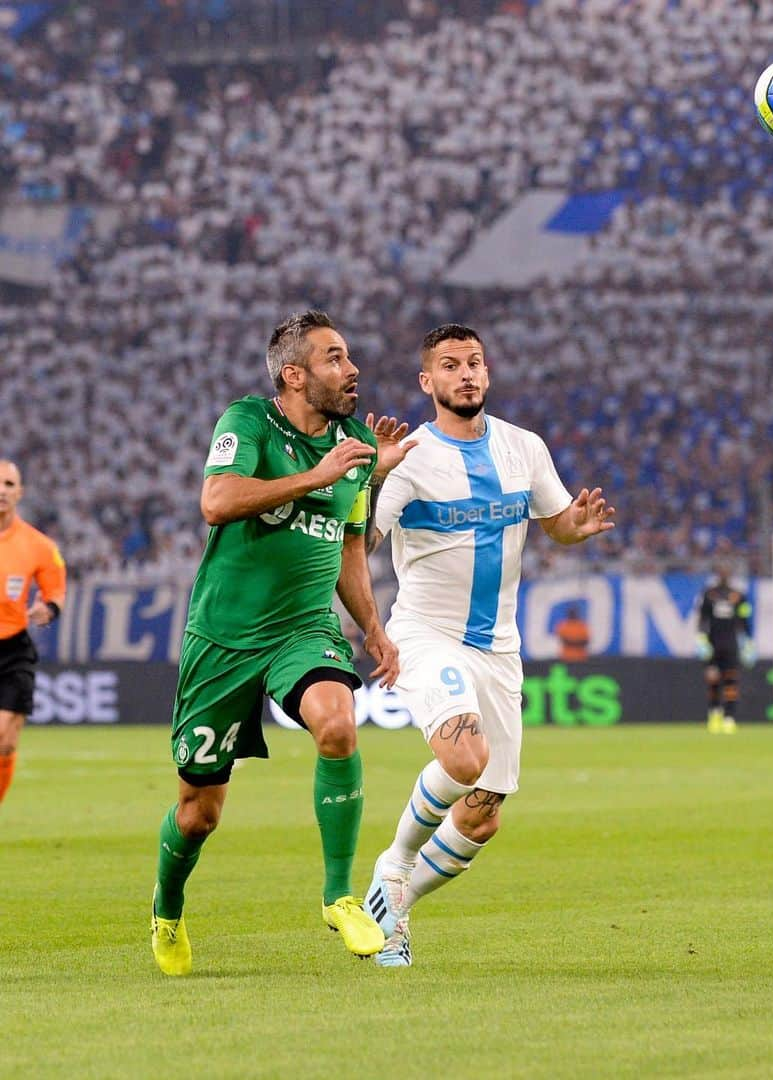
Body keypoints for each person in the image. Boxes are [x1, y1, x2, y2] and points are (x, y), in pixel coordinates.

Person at [150, 309, 417, 976]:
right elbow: (216, 500)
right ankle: (168, 905)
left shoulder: (353, 443)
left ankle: (339, 895)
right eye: (333, 358)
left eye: (348, 355)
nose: (351, 369)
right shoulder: (247, 422)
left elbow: (351, 544)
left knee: (337, 723)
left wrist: (374, 630)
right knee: (197, 814)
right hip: (224, 638)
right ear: (294, 375)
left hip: (305, 629)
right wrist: (317, 476)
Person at [360, 323, 615, 967]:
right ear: (429, 382)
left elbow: (554, 521)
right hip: (426, 632)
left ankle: (395, 905)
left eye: (474, 363)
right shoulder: (408, 455)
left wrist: (572, 529)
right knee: (464, 756)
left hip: (498, 647)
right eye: (451, 365)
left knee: (481, 817)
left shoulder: (523, 448)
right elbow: (358, 543)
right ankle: (393, 864)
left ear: (488, 373)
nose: (466, 374)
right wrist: (371, 476)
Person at [0, 461, 66, 807]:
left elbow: (55, 591)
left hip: (12, 650)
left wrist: (48, 609)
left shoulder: (38, 546)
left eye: (9, 484)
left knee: (5, 743)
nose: (2, 490)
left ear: (20, 492)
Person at [696, 564, 752, 735]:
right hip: (713, 646)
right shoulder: (708, 595)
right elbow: (702, 619)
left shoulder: (738, 596)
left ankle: (729, 718)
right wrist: (702, 639)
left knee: (731, 682)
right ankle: (714, 714)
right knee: (713, 681)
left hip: (731, 646)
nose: (723, 575)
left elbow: (744, 620)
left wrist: (748, 641)